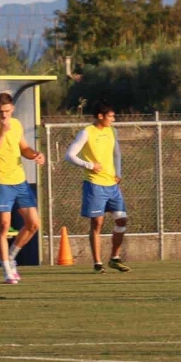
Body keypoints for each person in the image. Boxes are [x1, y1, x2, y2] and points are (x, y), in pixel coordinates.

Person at [0, 92, 44, 284]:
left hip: (20, 181)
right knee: (4, 226)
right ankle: (6, 269)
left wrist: (35, 154)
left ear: (12, 109)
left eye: (7, 111)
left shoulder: (16, 124)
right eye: (0, 111)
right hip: (1, 183)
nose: (4, 115)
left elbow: (23, 148)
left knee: (33, 224)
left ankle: (12, 256)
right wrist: (2, 132)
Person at [64, 101, 131, 274]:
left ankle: (114, 258)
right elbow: (69, 155)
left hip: (112, 184)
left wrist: (118, 172)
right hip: (94, 185)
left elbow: (116, 153)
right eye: (110, 116)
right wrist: (88, 165)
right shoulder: (86, 132)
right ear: (100, 116)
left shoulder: (112, 131)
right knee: (97, 223)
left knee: (121, 220)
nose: (113, 120)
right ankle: (97, 263)